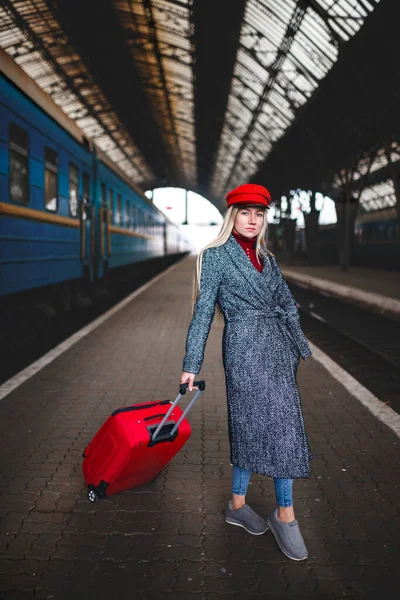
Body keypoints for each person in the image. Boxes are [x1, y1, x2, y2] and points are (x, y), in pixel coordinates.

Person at [180, 183, 313, 562]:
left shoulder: (267, 258)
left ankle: (240, 505)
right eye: (245, 212)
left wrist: (295, 342)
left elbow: (287, 302)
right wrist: (191, 365)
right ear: (232, 215)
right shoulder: (216, 256)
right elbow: (203, 313)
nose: (252, 220)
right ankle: (284, 514)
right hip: (243, 349)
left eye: (259, 214)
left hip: (277, 351)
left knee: (272, 425)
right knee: (257, 424)